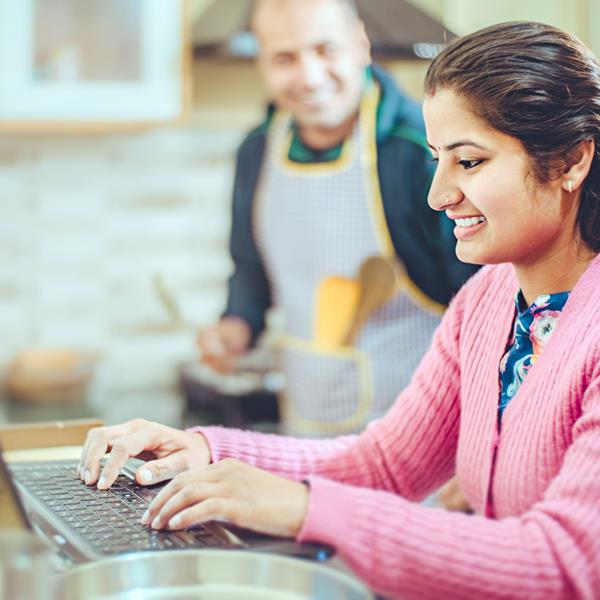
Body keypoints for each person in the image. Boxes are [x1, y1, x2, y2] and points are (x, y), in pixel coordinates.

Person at [79, 21, 600, 599]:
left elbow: (562, 564)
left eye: (470, 162)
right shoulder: (487, 300)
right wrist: (206, 449)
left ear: (573, 161)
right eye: (438, 160)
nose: (438, 194)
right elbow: (386, 463)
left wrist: (305, 507)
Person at [197, 0, 477, 436]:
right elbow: (250, 271)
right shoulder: (256, 151)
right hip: (305, 425)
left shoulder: (419, 151)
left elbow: (479, 296)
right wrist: (236, 326)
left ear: (360, 45)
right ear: (263, 63)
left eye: (325, 50)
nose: (309, 77)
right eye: (285, 58)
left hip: (423, 431)